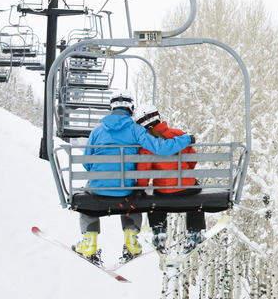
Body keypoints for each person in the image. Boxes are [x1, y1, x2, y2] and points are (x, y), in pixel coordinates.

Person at [72, 90, 195, 264]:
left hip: (99, 187)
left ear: (111, 107)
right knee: (132, 193)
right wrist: (185, 140)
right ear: (131, 108)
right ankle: (131, 242)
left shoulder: (97, 131)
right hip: (125, 188)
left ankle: (88, 243)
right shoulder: (136, 130)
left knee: (87, 197)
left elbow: (87, 162)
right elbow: (162, 149)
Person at [133, 103, 206, 255]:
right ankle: (195, 231)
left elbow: (144, 173)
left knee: (153, 195)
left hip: (163, 190)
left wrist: (140, 188)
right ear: (158, 116)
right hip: (186, 188)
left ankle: (159, 231)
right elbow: (192, 160)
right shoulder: (179, 135)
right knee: (196, 191)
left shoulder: (147, 144)